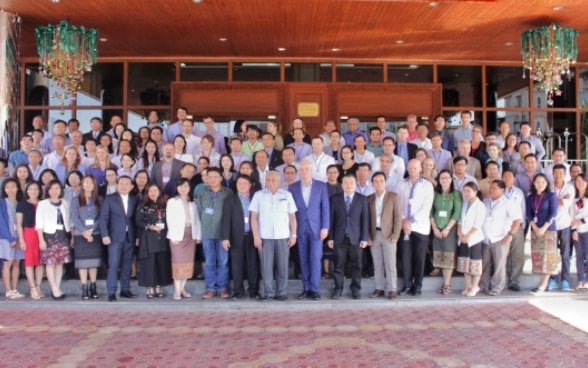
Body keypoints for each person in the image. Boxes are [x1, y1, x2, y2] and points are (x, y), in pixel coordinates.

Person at [250, 171, 298, 301]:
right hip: (264, 236)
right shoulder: (258, 195)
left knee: (283, 266)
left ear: (279, 181)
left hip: (283, 236)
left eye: (273, 180)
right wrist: (256, 236)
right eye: (268, 180)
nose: (270, 183)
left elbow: (292, 217)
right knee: (266, 266)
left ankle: (281, 292)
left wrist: (293, 235)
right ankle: (268, 292)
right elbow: (254, 218)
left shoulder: (287, 195)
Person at [289, 161, 330, 300]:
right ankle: (306, 288)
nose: (304, 171)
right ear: (299, 171)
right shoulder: (293, 187)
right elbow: (291, 211)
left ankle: (315, 288)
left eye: (307, 169)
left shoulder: (321, 186)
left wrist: (325, 227)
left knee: (315, 257)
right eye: (302, 169)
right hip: (300, 228)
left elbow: (325, 208)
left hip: (316, 228)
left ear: (311, 170)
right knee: (303, 258)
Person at [395, 159, 435, 296]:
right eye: (410, 167)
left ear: (420, 169)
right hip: (404, 227)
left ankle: (418, 285)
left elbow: (426, 207)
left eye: (415, 168)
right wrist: (403, 220)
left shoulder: (427, 185)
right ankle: (406, 285)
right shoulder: (401, 184)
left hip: (420, 227)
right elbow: (397, 204)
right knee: (405, 257)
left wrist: (410, 221)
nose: (412, 170)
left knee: (419, 258)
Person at [327, 174, 369, 299]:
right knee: (338, 265)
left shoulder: (362, 199)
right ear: (342, 184)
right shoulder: (335, 199)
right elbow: (331, 220)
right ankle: (338, 289)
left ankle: (355, 289)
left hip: (356, 239)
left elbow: (365, 220)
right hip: (339, 238)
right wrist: (330, 237)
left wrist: (364, 238)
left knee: (357, 266)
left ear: (355, 184)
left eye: (351, 182)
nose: (349, 185)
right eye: (346, 182)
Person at [480, 180, 522, 296]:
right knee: (485, 263)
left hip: (500, 238)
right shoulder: (485, 201)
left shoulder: (508, 203)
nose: (491, 190)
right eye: (491, 188)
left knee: (499, 264)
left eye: (494, 188)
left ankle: (497, 287)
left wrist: (510, 235)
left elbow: (517, 220)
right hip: (486, 238)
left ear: (502, 190)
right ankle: (483, 285)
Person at [221, 175, 260, 299]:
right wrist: (225, 237)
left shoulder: (256, 198)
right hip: (236, 236)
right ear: (236, 185)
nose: (242, 186)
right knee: (237, 265)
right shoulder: (229, 200)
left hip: (252, 236)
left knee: (253, 264)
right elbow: (225, 220)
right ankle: (238, 290)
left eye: (245, 183)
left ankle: (253, 290)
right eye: (239, 183)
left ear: (250, 185)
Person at [99, 175, 137, 302]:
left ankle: (125, 289)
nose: (124, 186)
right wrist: (105, 235)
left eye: (127, 183)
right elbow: (103, 218)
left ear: (131, 187)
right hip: (114, 237)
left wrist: (136, 237)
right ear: (117, 185)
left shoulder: (134, 199)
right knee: (114, 264)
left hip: (130, 236)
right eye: (121, 183)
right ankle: (111, 291)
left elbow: (134, 220)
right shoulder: (110, 199)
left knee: (127, 264)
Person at [197, 167, 234, 298]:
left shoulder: (228, 192)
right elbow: (200, 211)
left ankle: (223, 288)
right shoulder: (202, 192)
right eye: (209, 176)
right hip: (207, 232)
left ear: (221, 178)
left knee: (223, 262)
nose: (212, 179)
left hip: (223, 234)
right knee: (210, 262)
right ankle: (210, 288)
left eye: (215, 176)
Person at [367, 172, 402, 299]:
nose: (379, 183)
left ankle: (392, 288)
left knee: (390, 263)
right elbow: (366, 219)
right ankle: (379, 287)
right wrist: (368, 236)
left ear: (385, 182)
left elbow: (398, 218)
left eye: (381, 181)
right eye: (376, 181)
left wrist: (396, 234)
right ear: (372, 184)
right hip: (374, 234)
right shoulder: (369, 198)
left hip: (389, 235)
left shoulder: (393, 197)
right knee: (377, 263)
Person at [135, 183, 172, 299]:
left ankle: (158, 286)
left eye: (155, 190)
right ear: (147, 193)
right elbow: (138, 221)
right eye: (150, 191)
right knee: (149, 263)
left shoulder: (164, 205)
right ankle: (149, 287)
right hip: (148, 237)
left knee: (161, 262)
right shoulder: (142, 205)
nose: (153, 193)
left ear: (159, 191)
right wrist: (151, 226)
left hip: (162, 237)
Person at [36, 180, 71, 300]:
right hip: (49, 236)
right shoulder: (43, 204)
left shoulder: (65, 203)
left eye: (57, 188)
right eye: (51, 189)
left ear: (60, 190)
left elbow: (69, 221)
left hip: (62, 235)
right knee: (50, 263)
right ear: (47, 191)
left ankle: (57, 287)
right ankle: (54, 289)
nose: (54, 191)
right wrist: (41, 240)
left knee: (60, 263)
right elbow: (39, 223)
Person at [167, 178, 201, 299]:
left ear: (189, 188)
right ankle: (176, 290)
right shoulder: (172, 201)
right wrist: (173, 236)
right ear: (177, 188)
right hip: (178, 235)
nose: (183, 188)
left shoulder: (193, 202)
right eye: (180, 186)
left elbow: (197, 220)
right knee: (178, 262)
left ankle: (182, 289)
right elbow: (169, 219)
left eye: (186, 186)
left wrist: (198, 235)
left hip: (190, 234)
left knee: (188, 262)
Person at [70, 175, 103, 300]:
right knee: (82, 263)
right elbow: (74, 217)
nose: (88, 185)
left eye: (91, 182)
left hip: (94, 234)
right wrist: (84, 231)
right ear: (82, 184)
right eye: (86, 182)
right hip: (80, 234)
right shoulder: (76, 200)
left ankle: (93, 286)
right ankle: (84, 287)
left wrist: (92, 230)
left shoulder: (99, 199)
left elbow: (101, 217)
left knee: (93, 263)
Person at [430, 170, 462, 295]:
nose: (444, 180)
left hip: (450, 229)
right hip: (437, 228)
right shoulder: (435, 194)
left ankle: (447, 284)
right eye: (442, 178)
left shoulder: (456, 194)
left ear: (451, 179)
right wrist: (435, 228)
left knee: (448, 256)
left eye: (447, 178)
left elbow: (457, 212)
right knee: (439, 255)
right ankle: (444, 282)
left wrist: (448, 228)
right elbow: (430, 211)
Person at [526, 174, 558, 294]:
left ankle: (544, 284)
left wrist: (544, 227)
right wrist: (534, 226)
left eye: (543, 182)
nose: (540, 184)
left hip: (548, 230)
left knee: (547, 258)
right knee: (538, 257)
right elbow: (528, 214)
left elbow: (553, 213)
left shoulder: (551, 196)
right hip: (535, 231)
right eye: (538, 182)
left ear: (547, 184)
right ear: (533, 183)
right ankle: (541, 283)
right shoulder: (530, 197)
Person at [457, 181, 486, 297]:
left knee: (475, 263)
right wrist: (460, 234)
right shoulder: (465, 204)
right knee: (465, 263)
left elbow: (477, 225)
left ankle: (475, 286)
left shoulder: (480, 206)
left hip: (474, 238)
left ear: (475, 192)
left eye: (469, 191)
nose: (466, 193)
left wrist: (468, 235)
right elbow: (460, 221)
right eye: (464, 191)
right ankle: (468, 286)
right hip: (463, 237)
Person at [16, 181, 44, 299]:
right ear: (27, 191)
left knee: (40, 262)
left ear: (39, 191)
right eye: (30, 189)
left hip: (42, 234)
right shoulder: (22, 204)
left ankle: (38, 286)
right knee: (30, 261)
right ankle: (32, 288)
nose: (33, 192)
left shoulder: (43, 203)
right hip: (29, 233)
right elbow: (19, 224)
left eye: (36, 189)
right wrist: (21, 240)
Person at [548, 164, 574, 291]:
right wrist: (560, 200)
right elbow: (547, 203)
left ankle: (565, 280)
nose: (558, 175)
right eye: (556, 173)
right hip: (551, 225)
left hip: (565, 224)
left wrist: (556, 200)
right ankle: (553, 279)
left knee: (565, 254)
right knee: (551, 254)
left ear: (565, 174)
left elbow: (567, 203)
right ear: (552, 174)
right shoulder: (549, 187)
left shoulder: (570, 187)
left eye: (560, 173)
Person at [1, 179, 25, 299]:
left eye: (13, 187)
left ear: (17, 188)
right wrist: (10, 239)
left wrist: (21, 238)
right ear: (4, 190)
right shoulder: (1, 203)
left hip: (19, 237)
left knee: (17, 262)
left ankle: (15, 289)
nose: (10, 189)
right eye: (7, 187)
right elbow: (1, 223)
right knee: (8, 263)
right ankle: (8, 290)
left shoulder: (20, 203)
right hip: (6, 238)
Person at [571, 174, 588, 291]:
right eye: (577, 181)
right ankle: (580, 280)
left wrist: (581, 221)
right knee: (579, 257)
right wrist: (574, 230)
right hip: (577, 231)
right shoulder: (574, 198)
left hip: (587, 230)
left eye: (582, 181)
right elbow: (571, 215)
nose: (580, 183)